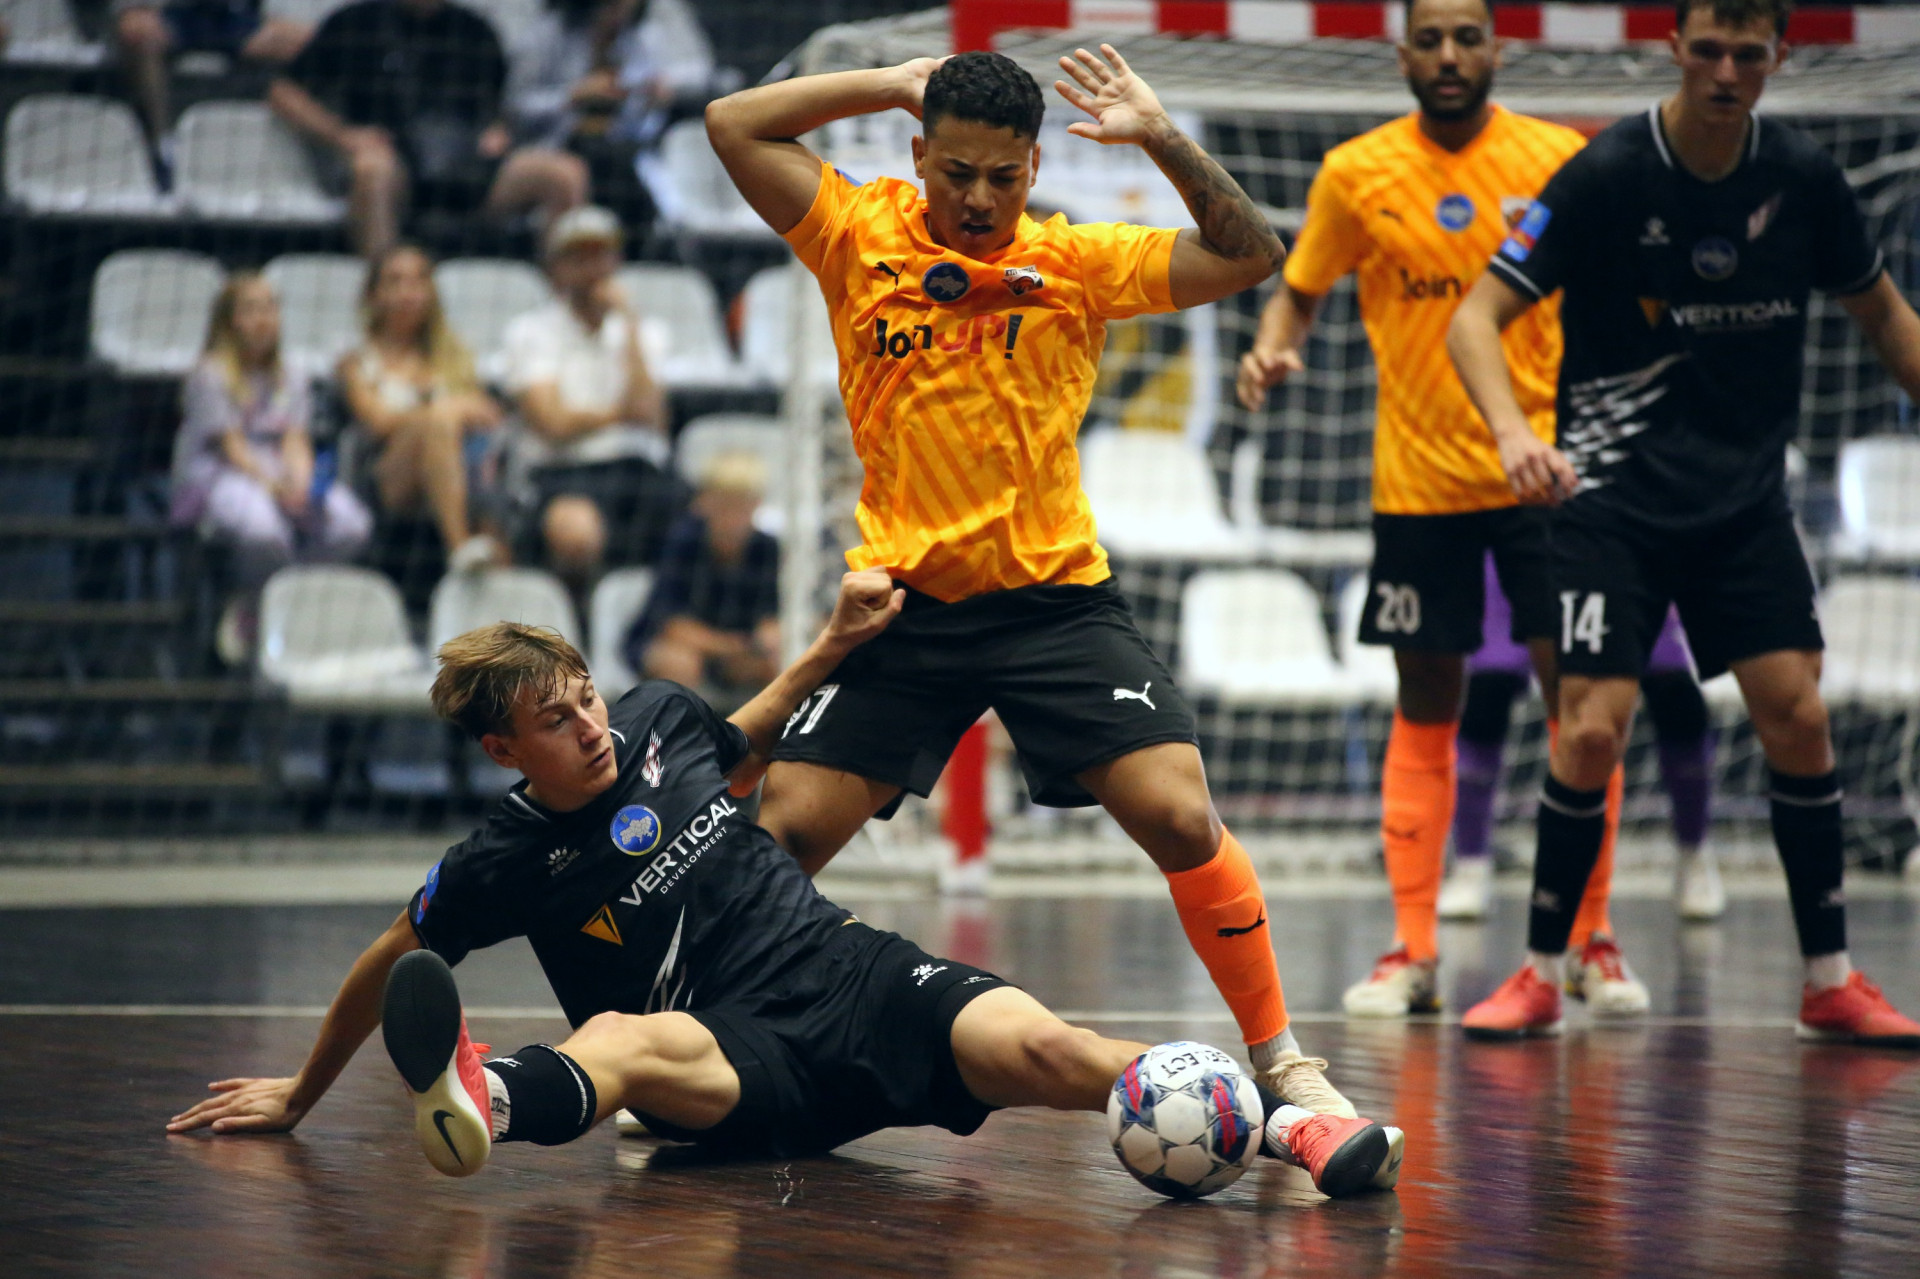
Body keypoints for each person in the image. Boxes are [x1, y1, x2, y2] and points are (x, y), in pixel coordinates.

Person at [163, 570, 1402, 1201]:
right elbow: (394, 956)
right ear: (503, 748)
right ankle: (480, 1090)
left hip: (848, 974)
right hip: (730, 1052)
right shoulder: (500, 859)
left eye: (586, 695)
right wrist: (299, 1090)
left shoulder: (653, 720)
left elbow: (740, 736)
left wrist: (834, 640)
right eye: (555, 719)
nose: (588, 725)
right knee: (627, 1042)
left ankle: (1297, 1125)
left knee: (1044, 1043)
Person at [703, 46, 1365, 1122]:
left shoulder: (1076, 260)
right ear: (918, 154)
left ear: (1033, 167)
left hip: (1052, 601)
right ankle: (718, 1052)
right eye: (954, 172)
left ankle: (1283, 1060)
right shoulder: (854, 230)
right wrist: (884, 81)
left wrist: (1158, 136)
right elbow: (733, 120)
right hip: (902, 608)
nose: (976, 199)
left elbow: (1252, 257)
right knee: (780, 834)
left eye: (1001, 179)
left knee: (1180, 814)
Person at [1447, 0, 1920, 1043]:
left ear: (1778, 59)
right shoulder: (1609, 172)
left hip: (1744, 505)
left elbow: (1884, 316)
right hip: (1611, 505)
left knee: (1798, 716)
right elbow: (1473, 317)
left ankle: (1830, 978)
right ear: (1674, 48)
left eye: (1748, 56)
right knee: (1590, 729)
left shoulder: (1803, 175)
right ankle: (1538, 969)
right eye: (1707, 50)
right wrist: (1513, 434)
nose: (1724, 73)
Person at [1235, 0, 1643, 1019]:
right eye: (1433, 38)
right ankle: (1411, 950)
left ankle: (1588, 939)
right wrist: (1275, 339)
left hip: (1546, 474)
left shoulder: (1559, 160)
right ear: (1403, 52)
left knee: (1580, 706)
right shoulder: (1356, 171)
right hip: (1416, 485)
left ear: (1498, 48)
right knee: (1427, 704)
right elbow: (1302, 282)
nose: (1452, 56)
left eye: (1469, 37)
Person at [1441, 557, 1725, 925]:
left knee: (1675, 693)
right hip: (1520, 538)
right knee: (1486, 692)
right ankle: (1470, 864)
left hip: (1615, 546)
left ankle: (1695, 853)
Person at [268, 0, 588, 258]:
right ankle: (386, 291)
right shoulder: (355, 23)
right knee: (371, 170)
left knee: (563, 174)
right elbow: (282, 91)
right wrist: (342, 136)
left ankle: (564, 304)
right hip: (397, 167)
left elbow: (501, 108)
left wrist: (499, 130)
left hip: (470, 169)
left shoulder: (476, 30)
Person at [169, 272, 372, 662]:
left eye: (269, 308)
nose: (263, 318)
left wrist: (301, 481)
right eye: (250, 309)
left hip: (278, 468)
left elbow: (295, 438)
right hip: (226, 473)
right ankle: (254, 604)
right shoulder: (209, 373)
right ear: (228, 320)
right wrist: (272, 485)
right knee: (265, 532)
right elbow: (230, 445)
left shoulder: (292, 374)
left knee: (350, 525)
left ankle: (295, 603)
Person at [502, 204, 681, 590]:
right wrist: (621, 415)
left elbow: (651, 414)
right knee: (576, 532)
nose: (593, 267)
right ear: (557, 267)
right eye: (579, 256)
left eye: (601, 254)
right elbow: (554, 424)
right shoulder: (530, 332)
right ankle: (578, 624)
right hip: (564, 472)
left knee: (703, 524)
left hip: (640, 471)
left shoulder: (645, 333)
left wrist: (629, 323)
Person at [339, 243, 505, 573]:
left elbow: (487, 413)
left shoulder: (453, 356)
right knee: (439, 422)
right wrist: (445, 410)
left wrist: (442, 412)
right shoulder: (356, 362)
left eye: (417, 282)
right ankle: (459, 546)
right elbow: (378, 421)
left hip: (462, 472)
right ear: (373, 294)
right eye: (395, 281)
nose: (407, 292)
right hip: (388, 479)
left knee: (476, 448)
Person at [626, 451, 781, 703]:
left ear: (757, 504)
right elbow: (672, 625)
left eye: (742, 504)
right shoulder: (684, 542)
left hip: (743, 652)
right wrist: (731, 647)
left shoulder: (768, 549)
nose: (733, 516)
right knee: (679, 664)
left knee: (782, 665)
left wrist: (770, 637)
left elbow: (772, 618)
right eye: (725, 504)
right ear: (705, 502)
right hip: (687, 647)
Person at [113, 0, 311, 171]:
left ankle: (301, 151)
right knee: (135, 30)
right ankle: (161, 144)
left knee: (312, 40)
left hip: (233, 19)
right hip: (177, 15)